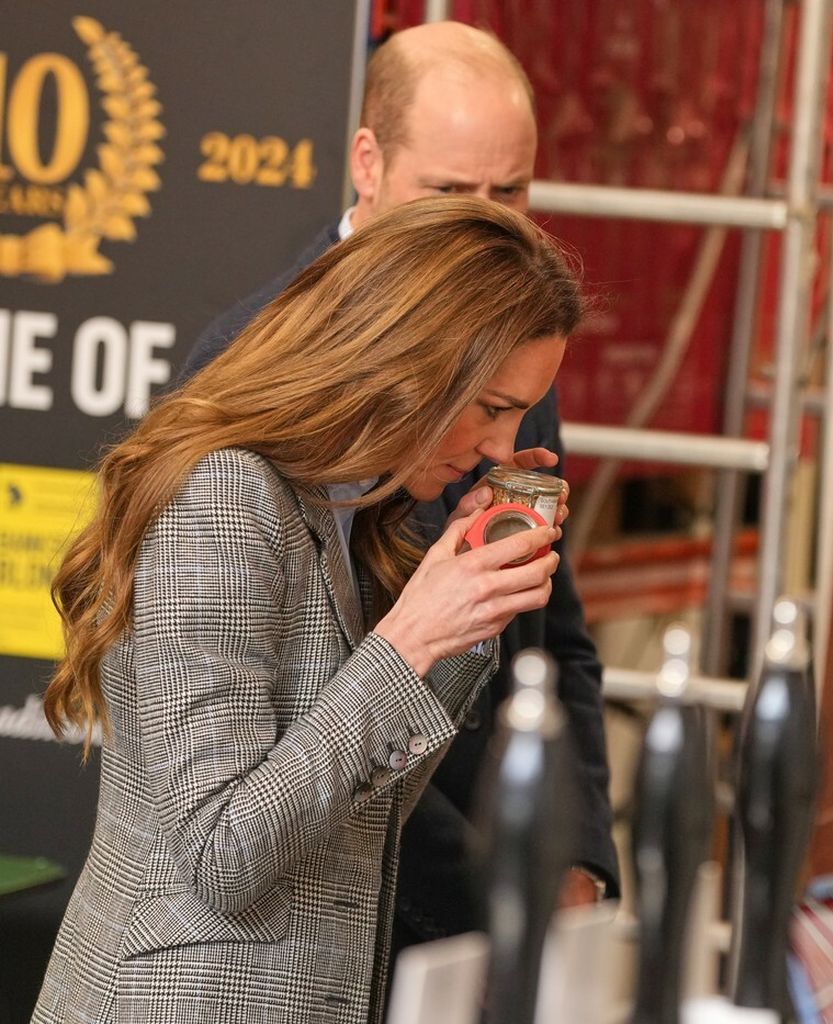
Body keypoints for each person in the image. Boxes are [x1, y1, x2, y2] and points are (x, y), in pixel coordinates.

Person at [33, 197, 581, 1024]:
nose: (501, 450)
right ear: (406, 360)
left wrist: (467, 615)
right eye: (493, 407)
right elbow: (223, 852)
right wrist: (410, 641)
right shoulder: (224, 495)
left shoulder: (349, 506)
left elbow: (358, 819)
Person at [181, 21, 619, 942]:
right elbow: (231, 811)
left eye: (511, 191)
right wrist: (493, 887)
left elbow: (548, 639)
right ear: (368, 164)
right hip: (311, 922)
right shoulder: (249, 374)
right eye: (450, 191)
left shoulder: (520, 348)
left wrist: (572, 857)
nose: (487, 224)